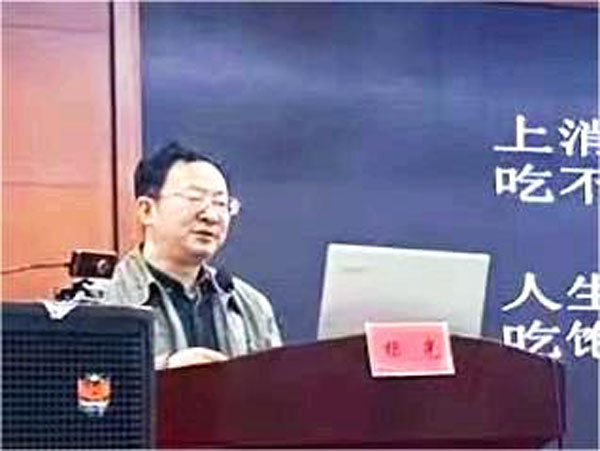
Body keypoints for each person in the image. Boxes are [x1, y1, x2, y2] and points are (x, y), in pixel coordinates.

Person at [104, 142, 282, 369]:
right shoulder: (103, 302)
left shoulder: (250, 305)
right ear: (147, 210)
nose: (211, 216)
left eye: (220, 203)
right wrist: (166, 370)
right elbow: (81, 383)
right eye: (194, 199)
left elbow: (276, 385)